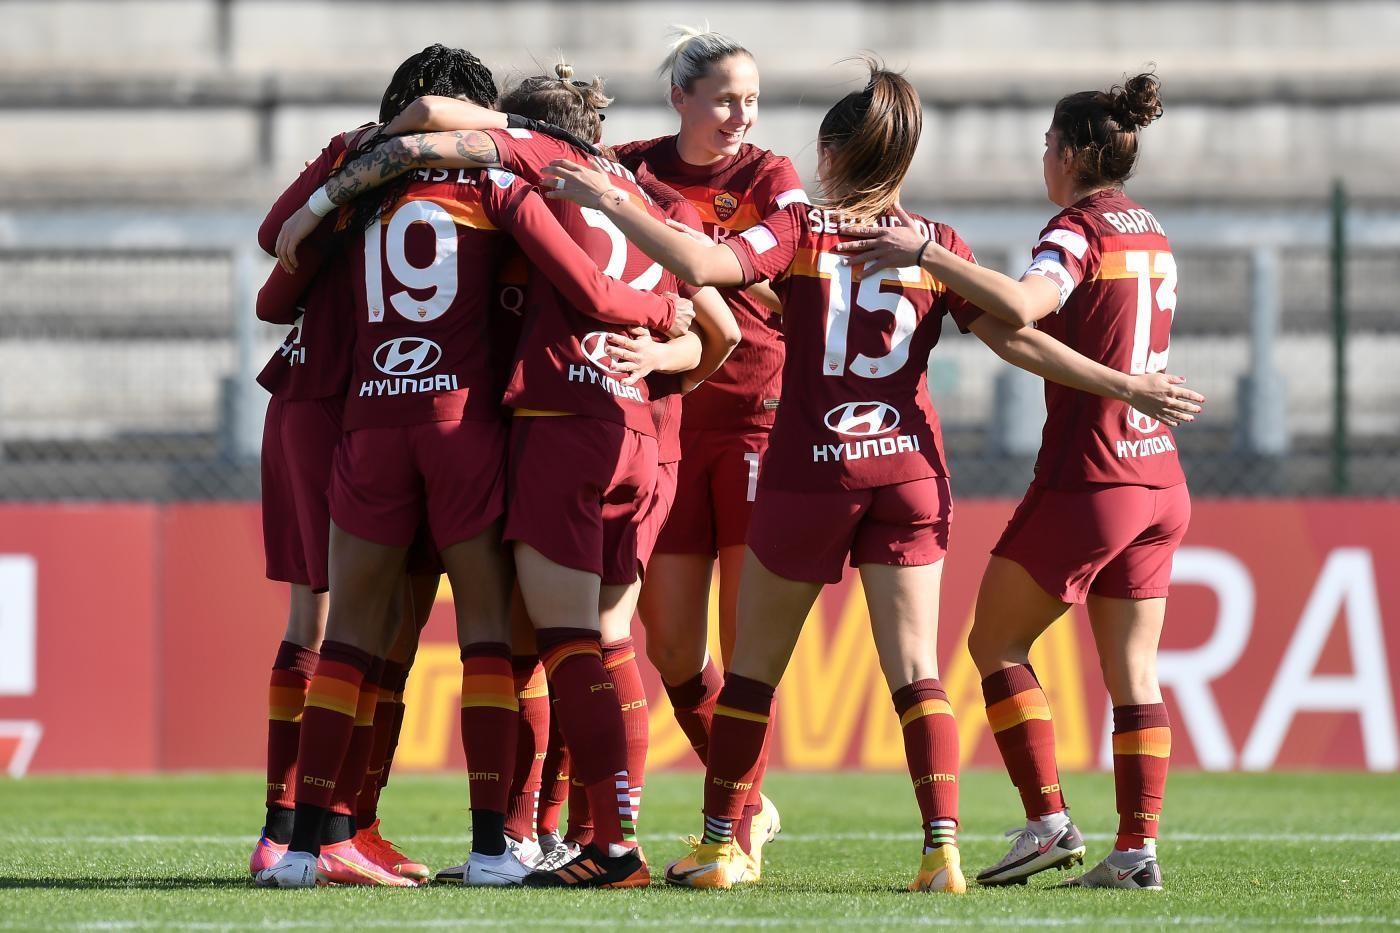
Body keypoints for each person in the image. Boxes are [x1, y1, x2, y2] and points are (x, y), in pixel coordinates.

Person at [541, 60, 1202, 893]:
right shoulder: (938, 245)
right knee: (917, 671)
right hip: (910, 471)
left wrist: (613, 202)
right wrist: (1126, 384)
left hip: (813, 468)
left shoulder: (802, 229)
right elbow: (1016, 336)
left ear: (829, 152)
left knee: (752, 672)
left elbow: (705, 267)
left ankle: (717, 843)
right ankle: (943, 851)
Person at [276, 63, 740, 889]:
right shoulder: (641, 197)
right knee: (562, 641)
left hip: (467, 425)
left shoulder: (432, 187)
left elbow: (275, 292)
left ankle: (311, 839)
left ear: (520, 134)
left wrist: (330, 192)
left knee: (376, 635)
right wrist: (664, 333)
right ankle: (541, 839)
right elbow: (714, 326)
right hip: (614, 432)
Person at [837, 73, 1192, 891]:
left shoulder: (1079, 230)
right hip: (1159, 478)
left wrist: (926, 254)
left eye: (1046, 146)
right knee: (1135, 676)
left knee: (993, 643)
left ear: (1066, 154)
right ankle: (1136, 849)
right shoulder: (1151, 230)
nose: (1043, 159)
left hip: (1091, 475)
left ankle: (1047, 821)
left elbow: (1027, 305)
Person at [249, 43, 496, 887]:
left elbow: (271, 289)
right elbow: (273, 271)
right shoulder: (434, 171)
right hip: (350, 408)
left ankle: (315, 827)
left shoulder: (358, 174)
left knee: (339, 622)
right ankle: (311, 825)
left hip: (333, 404)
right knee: (353, 624)